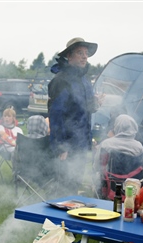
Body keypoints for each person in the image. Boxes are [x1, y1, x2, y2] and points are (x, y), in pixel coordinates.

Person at [48, 37, 104, 195]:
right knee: (64, 188)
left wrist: (96, 103)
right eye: (80, 53)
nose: (85, 56)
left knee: (74, 184)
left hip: (81, 143)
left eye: (86, 53)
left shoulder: (84, 80)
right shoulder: (61, 81)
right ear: (69, 56)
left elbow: (84, 109)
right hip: (67, 145)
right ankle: (55, 219)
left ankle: (67, 219)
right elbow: (56, 114)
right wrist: (61, 147)